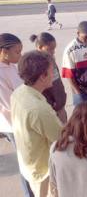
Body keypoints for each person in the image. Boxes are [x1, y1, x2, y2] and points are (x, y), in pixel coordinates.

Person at [11, 50, 62, 197]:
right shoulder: (39, 110)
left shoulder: (19, 92)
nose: (53, 74)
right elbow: (60, 140)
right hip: (43, 172)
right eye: (51, 71)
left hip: (30, 163)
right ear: (43, 76)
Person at [0, 33, 34, 197]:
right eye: (17, 52)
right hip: (15, 125)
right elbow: (9, 105)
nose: (20, 55)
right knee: (26, 162)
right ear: (3, 51)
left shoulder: (9, 66)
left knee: (30, 159)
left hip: (22, 120)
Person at [30, 32, 67, 123]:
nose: (53, 52)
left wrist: (61, 97)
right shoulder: (36, 64)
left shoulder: (50, 58)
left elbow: (56, 80)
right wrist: (52, 103)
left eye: (54, 49)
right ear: (39, 47)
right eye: (50, 49)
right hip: (51, 108)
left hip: (59, 103)